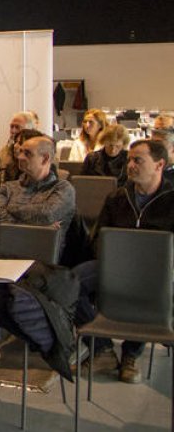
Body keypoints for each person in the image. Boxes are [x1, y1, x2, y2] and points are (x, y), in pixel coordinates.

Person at [74, 140, 173, 383]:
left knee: (145, 286)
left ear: (159, 164)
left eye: (138, 160)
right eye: (129, 159)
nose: (130, 165)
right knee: (69, 283)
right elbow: (99, 237)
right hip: (113, 266)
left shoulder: (172, 200)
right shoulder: (117, 197)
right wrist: (113, 265)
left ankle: (131, 354)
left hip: (157, 270)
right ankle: (101, 348)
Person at [0, 111, 38, 181]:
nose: (13, 131)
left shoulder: (42, 150)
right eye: (11, 127)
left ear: (30, 130)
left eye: (17, 127)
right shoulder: (4, 152)